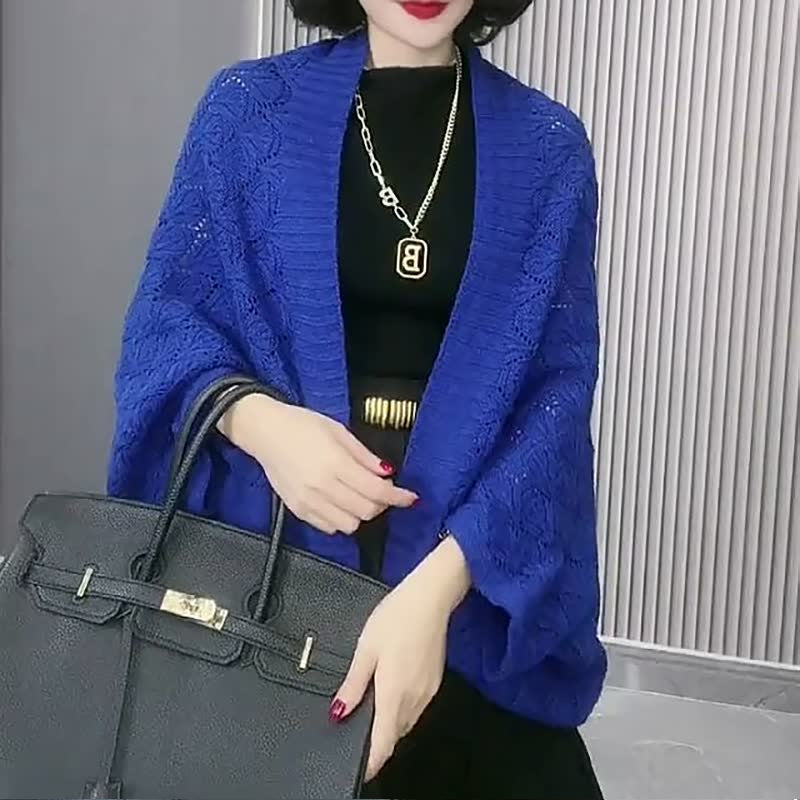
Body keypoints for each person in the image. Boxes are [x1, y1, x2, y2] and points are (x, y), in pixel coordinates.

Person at [108, 0, 607, 796]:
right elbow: (165, 327)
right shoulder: (245, 112)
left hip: (466, 586)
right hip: (268, 573)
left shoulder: (550, 147)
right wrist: (264, 426)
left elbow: (556, 404)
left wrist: (438, 590)